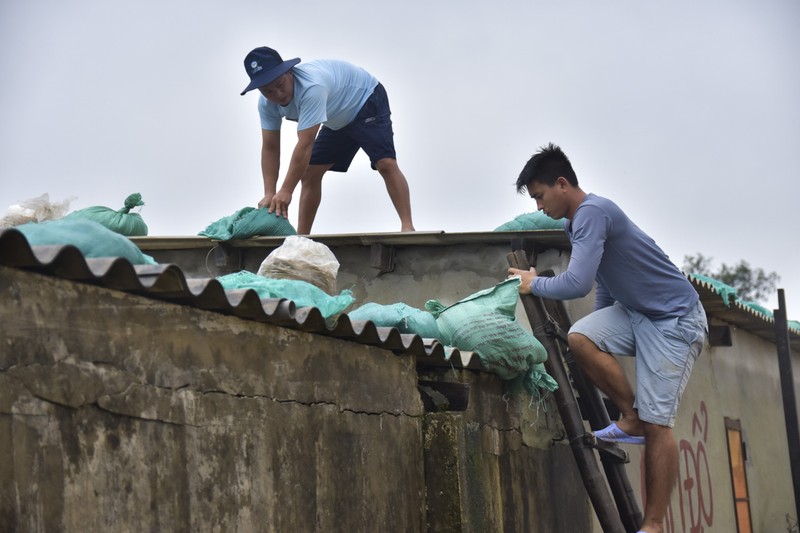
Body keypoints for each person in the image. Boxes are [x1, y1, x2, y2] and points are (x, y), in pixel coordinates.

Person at [507, 143, 707, 533]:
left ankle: (652, 525)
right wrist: (604, 324)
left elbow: (576, 283)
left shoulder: (593, 212)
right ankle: (629, 416)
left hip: (675, 320)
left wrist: (534, 283)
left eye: (540, 196)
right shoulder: (574, 222)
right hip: (637, 313)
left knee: (658, 425)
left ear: (562, 184)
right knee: (582, 336)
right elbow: (605, 280)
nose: (538, 207)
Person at [240, 46, 415, 235]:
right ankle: (302, 238)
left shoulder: (312, 88)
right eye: (268, 91)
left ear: (288, 72)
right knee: (309, 173)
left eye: (280, 85)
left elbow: (305, 144)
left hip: (365, 99)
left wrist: (286, 190)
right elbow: (270, 147)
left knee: (385, 163)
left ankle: (408, 227)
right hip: (336, 119)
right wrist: (269, 193)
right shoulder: (266, 104)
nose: (278, 94)